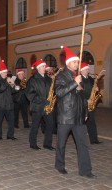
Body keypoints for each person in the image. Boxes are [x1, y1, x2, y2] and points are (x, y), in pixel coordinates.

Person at [55, 46, 95, 178]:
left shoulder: (77, 76)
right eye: (74, 62)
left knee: (82, 145)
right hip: (66, 116)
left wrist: (85, 113)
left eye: (77, 62)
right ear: (68, 63)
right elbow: (59, 92)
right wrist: (74, 83)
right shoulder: (61, 75)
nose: (76, 64)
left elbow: (82, 97)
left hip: (78, 116)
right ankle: (59, 165)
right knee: (61, 144)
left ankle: (86, 171)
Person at [25, 60, 55, 150]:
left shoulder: (48, 79)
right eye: (42, 66)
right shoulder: (32, 79)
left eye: (45, 66)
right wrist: (42, 100)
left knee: (50, 124)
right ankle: (33, 143)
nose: (44, 68)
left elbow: (52, 91)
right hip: (37, 106)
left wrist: (51, 99)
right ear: (38, 68)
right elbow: (29, 94)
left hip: (47, 106)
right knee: (35, 125)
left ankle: (47, 144)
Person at [0, 60, 16, 140]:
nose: (5, 74)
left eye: (6, 72)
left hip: (9, 104)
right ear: (0, 73)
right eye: (4, 72)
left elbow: (13, 92)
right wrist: (7, 83)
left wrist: (13, 85)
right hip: (1, 104)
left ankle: (10, 135)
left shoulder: (8, 79)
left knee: (11, 121)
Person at [80, 62, 102, 144]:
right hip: (82, 104)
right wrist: (86, 100)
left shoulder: (90, 79)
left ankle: (94, 140)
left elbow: (94, 88)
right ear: (82, 70)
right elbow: (78, 93)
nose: (88, 70)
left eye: (88, 69)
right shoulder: (79, 79)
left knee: (92, 122)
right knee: (81, 124)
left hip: (91, 104)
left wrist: (97, 89)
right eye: (86, 69)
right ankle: (81, 141)